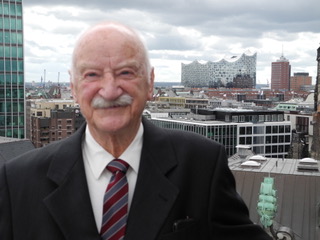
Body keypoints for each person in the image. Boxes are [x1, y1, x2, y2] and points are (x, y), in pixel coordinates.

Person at [0, 21, 272, 240]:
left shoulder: (202, 164)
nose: (109, 90)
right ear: (72, 87)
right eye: (92, 75)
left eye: (126, 73)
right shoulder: (18, 181)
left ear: (150, 82)